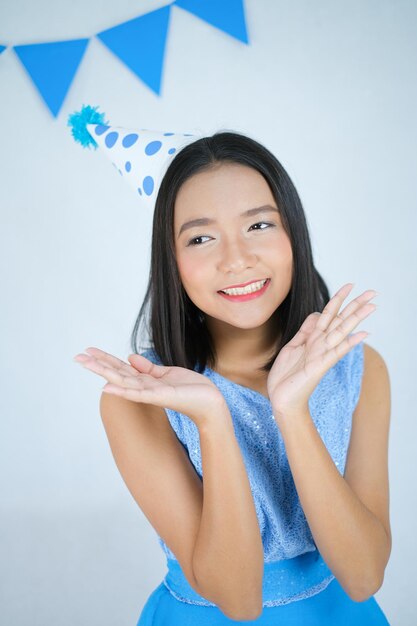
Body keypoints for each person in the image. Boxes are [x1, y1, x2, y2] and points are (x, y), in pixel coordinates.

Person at [73, 131, 391, 625]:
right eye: (200, 237)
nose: (236, 259)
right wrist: (213, 419)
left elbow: (364, 576)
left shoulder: (359, 369)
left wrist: (291, 411)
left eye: (259, 225)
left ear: (294, 236)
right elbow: (239, 603)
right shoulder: (140, 400)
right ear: (172, 261)